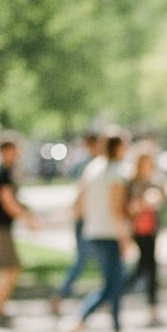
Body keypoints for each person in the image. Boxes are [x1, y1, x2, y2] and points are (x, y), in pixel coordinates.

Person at [68, 130, 130, 332]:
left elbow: (78, 203)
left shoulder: (92, 168)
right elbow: (116, 210)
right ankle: (78, 321)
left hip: (92, 231)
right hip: (109, 234)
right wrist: (125, 238)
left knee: (114, 285)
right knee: (112, 287)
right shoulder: (116, 173)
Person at [50, 131, 101, 318]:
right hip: (87, 219)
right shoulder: (89, 166)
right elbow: (82, 192)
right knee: (83, 260)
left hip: (93, 218)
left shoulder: (92, 164)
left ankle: (106, 297)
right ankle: (61, 294)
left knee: (99, 260)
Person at [123, 144, 167, 325]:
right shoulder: (130, 183)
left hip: (151, 229)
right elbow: (126, 208)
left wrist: (158, 198)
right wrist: (142, 204)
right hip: (137, 229)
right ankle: (114, 293)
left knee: (149, 268)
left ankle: (153, 309)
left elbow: (165, 200)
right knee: (144, 268)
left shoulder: (155, 181)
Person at [0, 134, 39, 327]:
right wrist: (28, 219)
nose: (18, 154)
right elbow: (7, 201)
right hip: (1, 228)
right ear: (5, 150)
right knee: (12, 267)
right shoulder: (2, 173)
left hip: (3, 227)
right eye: (15, 150)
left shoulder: (6, 171)